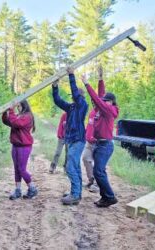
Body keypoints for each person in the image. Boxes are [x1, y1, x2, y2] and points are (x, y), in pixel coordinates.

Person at [52, 67, 88, 205]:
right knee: (75, 167)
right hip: (71, 140)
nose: (73, 97)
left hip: (78, 140)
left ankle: (74, 194)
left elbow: (75, 92)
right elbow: (58, 101)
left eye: (74, 96)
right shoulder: (71, 107)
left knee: (70, 167)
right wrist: (55, 86)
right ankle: (76, 193)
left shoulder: (82, 105)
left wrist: (71, 75)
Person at [82, 74, 119, 208]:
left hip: (105, 145)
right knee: (99, 172)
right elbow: (100, 96)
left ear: (111, 102)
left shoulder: (109, 110)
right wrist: (100, 79)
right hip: (98, 144)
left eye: (105, 101)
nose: (102, 102)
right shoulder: (102, 109)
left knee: (98, 171)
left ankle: (110, 197)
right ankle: (105, 198)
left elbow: (97, 99)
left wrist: (86, 84)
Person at [2, 100, 38, 200]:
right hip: (16, 145)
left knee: (22, 169)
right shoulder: (19, 115)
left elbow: (17, 123)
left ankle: (32, 188)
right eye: (17, 107)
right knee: (17, 169)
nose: (18, 108)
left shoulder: (27, 116)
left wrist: (11, 110)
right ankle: (18, 190)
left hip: (24, 146)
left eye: (19, 106)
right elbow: (8, 122)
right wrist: (5, 113)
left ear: (24, 105)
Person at [81, 66, 106, 193]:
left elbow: (100, 94)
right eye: (92, 100)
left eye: (95, 100)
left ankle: (97, 184)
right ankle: (91, 180)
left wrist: (100, 79)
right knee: (85, 158)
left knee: (98, 165)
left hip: (98, 143)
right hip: (89, 142)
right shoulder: (92, 112)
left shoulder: (102, 110)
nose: (93, 101)